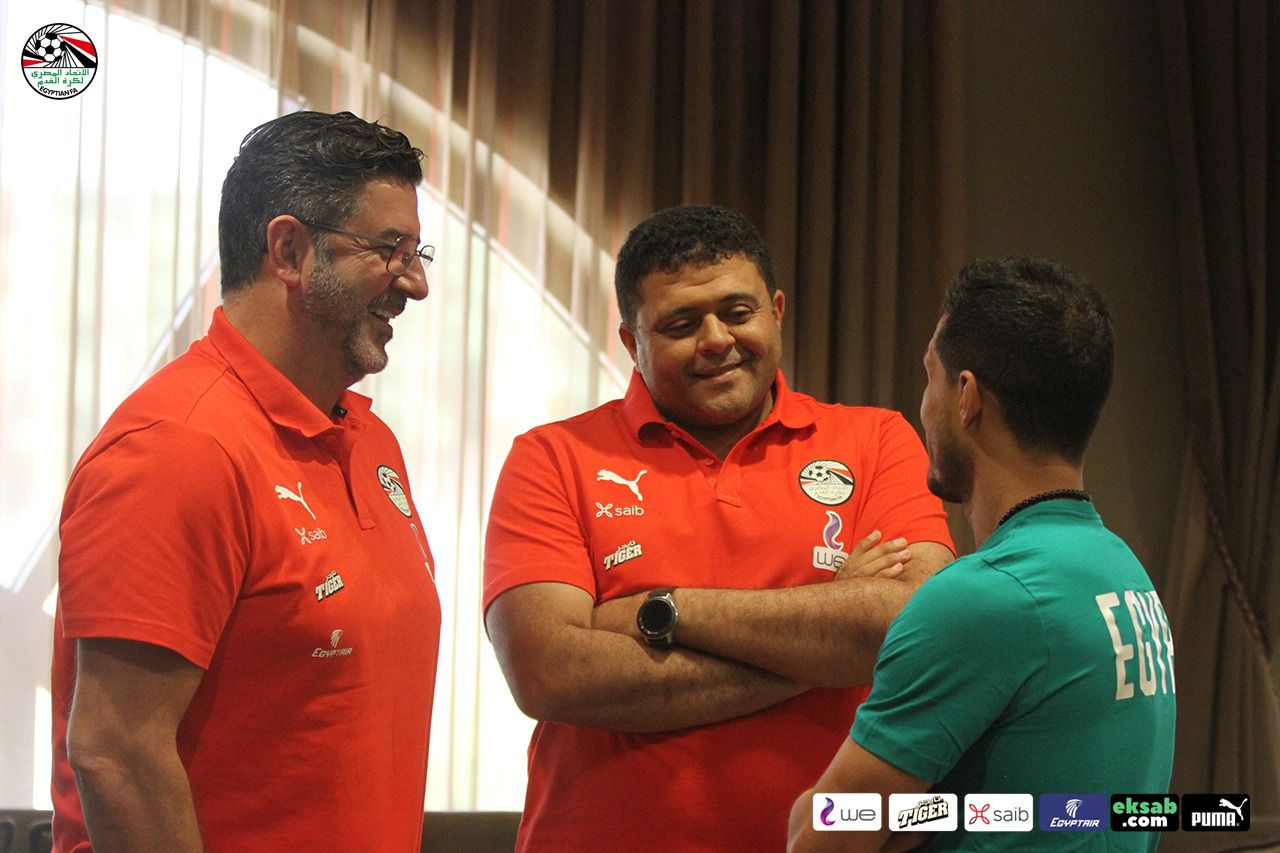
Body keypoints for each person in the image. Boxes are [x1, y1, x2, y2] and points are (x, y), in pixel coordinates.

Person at [483, 205, 955, 852]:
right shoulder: (551, 457)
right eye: (680, 324)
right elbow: (549, 672)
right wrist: (826, 645)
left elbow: (912, 627)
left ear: (776, 311)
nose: (715, 340)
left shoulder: (876, 439)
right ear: (631, 341)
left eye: (737, 312)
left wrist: (661, 610)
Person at [50, 111, 441, 853]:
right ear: (290, 251)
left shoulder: (372, 441)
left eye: (417, 253)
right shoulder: (178, 448)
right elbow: (116, 752)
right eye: (389, 250)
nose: (416, 283)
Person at [787, 258, 1177, 852]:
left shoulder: (981, 598)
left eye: (930, 378)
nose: (925, 404)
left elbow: (818, 838)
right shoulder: (1124, 569)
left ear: (966, 397)